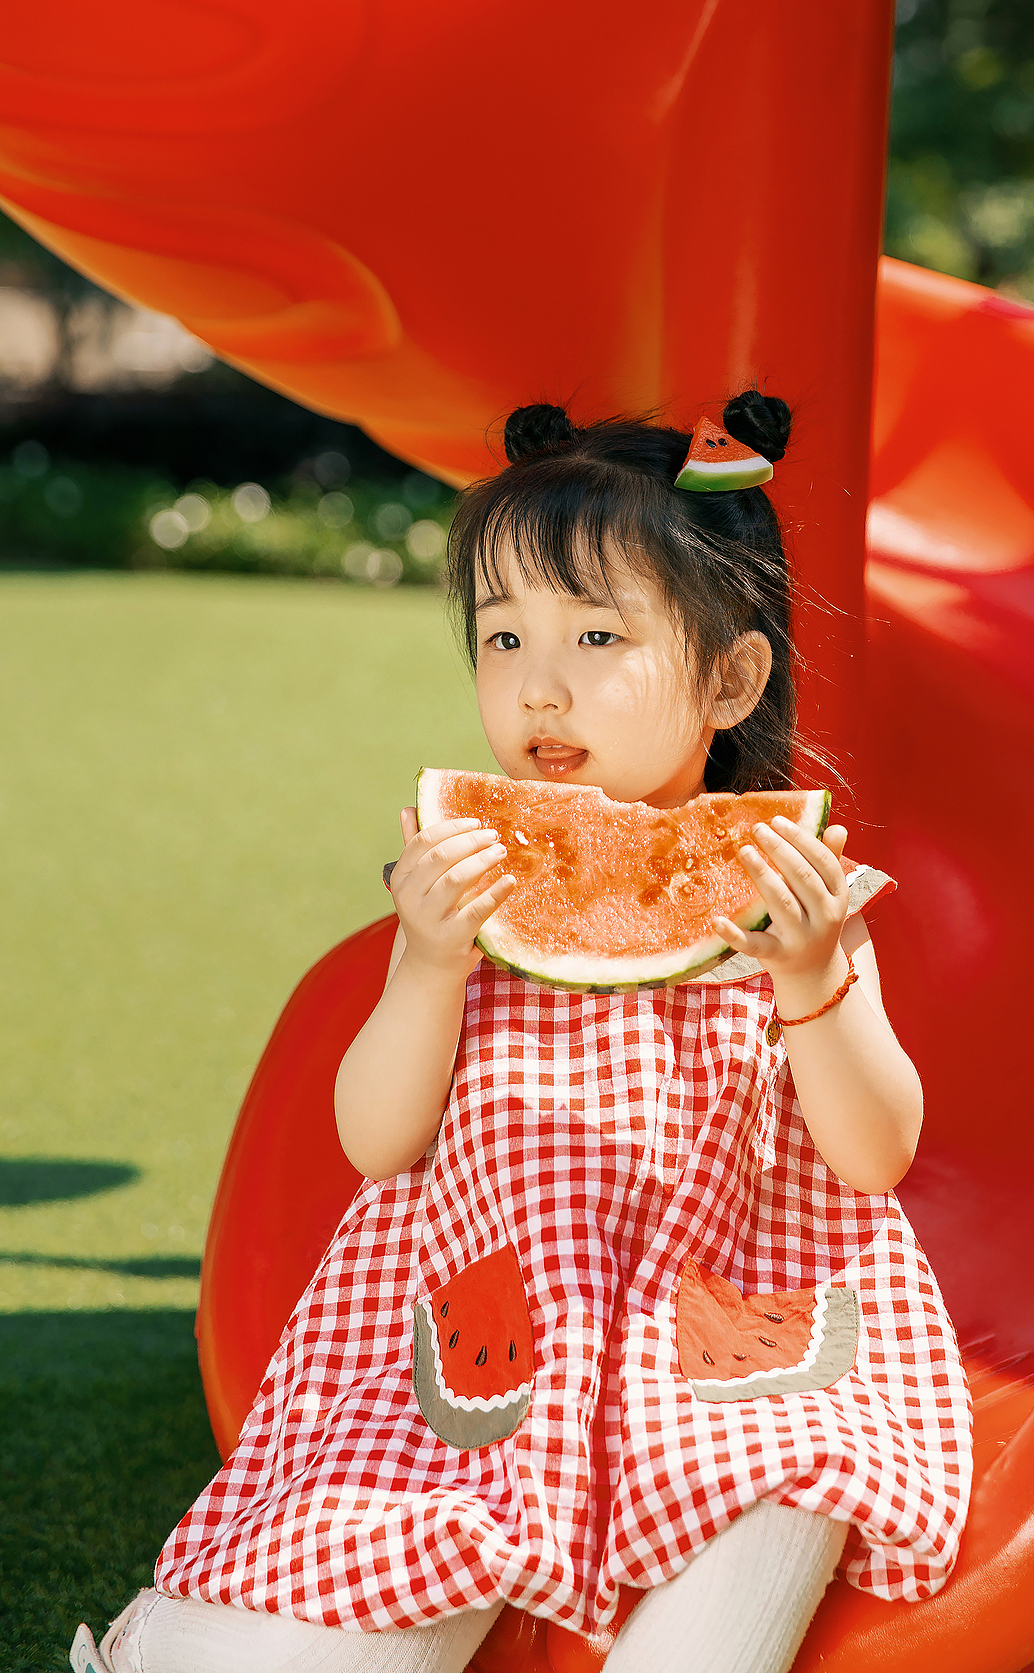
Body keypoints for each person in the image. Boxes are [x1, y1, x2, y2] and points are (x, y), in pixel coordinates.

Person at [75, 392, 972, 1673]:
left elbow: (876, 1153)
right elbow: (380, 1142)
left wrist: (814, 980)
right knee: (350, 1593)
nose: (537, 685)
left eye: (596, 635)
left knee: (789, 1495)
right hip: (488, 1330)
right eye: (501, 638)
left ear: (730, 677)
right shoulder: (477, 892)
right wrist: (429, 965)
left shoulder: (791, 895)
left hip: (721, 1335)